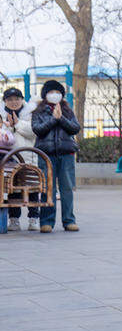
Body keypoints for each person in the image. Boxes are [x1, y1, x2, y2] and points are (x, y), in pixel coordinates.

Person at [31, 80, 80, 233]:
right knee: (48, 189)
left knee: (67, 188)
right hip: (46, 154)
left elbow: (75, 128)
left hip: (66, 154)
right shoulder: (38, 111)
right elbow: (37, 129)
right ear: (45, 95)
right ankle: (46, 222)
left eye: (58, 92)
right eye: (51, 92)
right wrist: (53, 119)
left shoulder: (67, 110)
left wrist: (61, 118)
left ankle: (69, 220)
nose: (55, 95)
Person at [3, 87, 40, 231]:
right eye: (10, 99)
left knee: (32, 189)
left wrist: (17, 123)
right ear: (5, 101)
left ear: (22, 99)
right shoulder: (2, 115)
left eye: (17, 99)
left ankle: (34, 218)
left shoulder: (31, 113)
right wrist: (8, 127)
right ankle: (14, 219)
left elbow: (33, 132)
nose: (13, 102)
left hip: (28, 158)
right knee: (13, 190)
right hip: (10, 160)